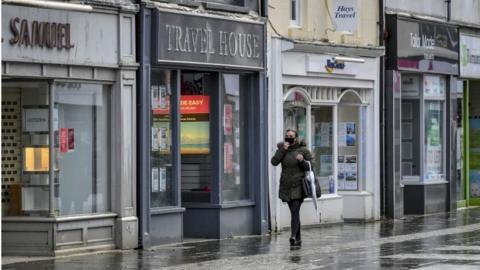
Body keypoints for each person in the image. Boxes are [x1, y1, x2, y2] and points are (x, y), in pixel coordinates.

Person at [271, 129, 313, 247]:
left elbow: (311, 166)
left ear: (296, 138)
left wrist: (302, 161)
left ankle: (293, 236)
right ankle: (298, 238)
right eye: (287, 135)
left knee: (295, 210)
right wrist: (282, 150)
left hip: (299, 185)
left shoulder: (303, 150)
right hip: (286, 185)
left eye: (291, 136)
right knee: (294, 211)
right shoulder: (282, 149)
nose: (288, 137)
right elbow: (274, 162)